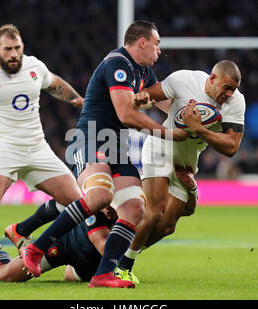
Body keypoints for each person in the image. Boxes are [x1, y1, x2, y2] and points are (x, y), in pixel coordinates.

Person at [20, 20, 189, 288]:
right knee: (100, 196)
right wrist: (167, 133)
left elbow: (168, 106)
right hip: (92, 139)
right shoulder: (117, 63)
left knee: (135, 208)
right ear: (142, 42)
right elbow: (126, 114)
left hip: (117, 146)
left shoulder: (144, 72)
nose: (160, 51)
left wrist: (197, 120)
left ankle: (103, 274)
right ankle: (36, 248)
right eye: (157, 45)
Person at [0, 24, 86, 276]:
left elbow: (54, 83)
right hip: (3, 149)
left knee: (78, 203)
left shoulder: (34, 67)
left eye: (17, 48)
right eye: (8, 49)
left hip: (37, 147)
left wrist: (76, 99)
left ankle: (22, 230)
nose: (14, 54)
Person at [115, 60, 246, 282]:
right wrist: (141, 98)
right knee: (155, 211)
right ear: (212, 78)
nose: (229, 93)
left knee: (166, 227)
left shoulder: (236, 102)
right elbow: (150, 95)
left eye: (233, 89)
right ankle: (123, 265)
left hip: (185, 163)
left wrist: (199, 129)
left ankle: (116, 250)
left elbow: (232, 147)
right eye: (226, 87)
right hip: (161, 147)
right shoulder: (184, 80)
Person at [0, 210, 116, 283]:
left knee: (72, 278)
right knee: (5, 275)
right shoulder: (99, 200)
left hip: (89, 260)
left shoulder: (131, 206)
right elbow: (104, 244)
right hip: (62, 245)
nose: (109, 208)